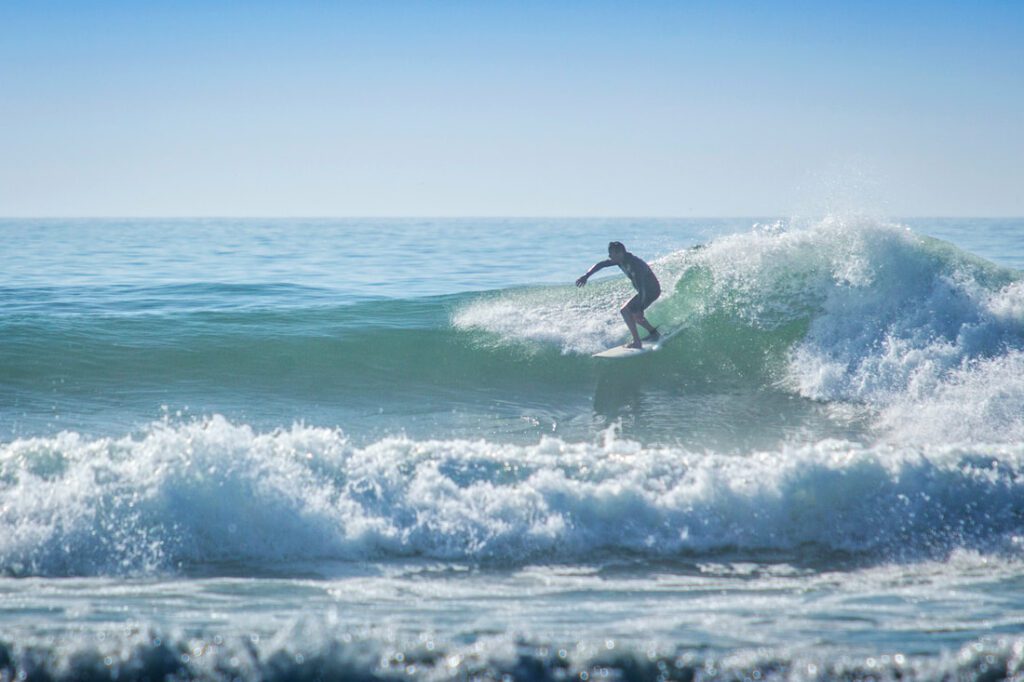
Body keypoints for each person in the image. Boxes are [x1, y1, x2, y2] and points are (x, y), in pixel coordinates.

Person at [576, 241, 661, 349]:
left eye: (611, 254)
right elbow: (601, 264)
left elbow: (642, 288)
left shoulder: (635, 265)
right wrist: (586, 276)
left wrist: (640, 308)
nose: (609, 256)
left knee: (627, 311)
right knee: (633, 314)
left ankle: (637, 342)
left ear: (619, 253)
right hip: (645, 291)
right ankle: (653, 333)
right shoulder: (621, 260)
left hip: (650, 291)